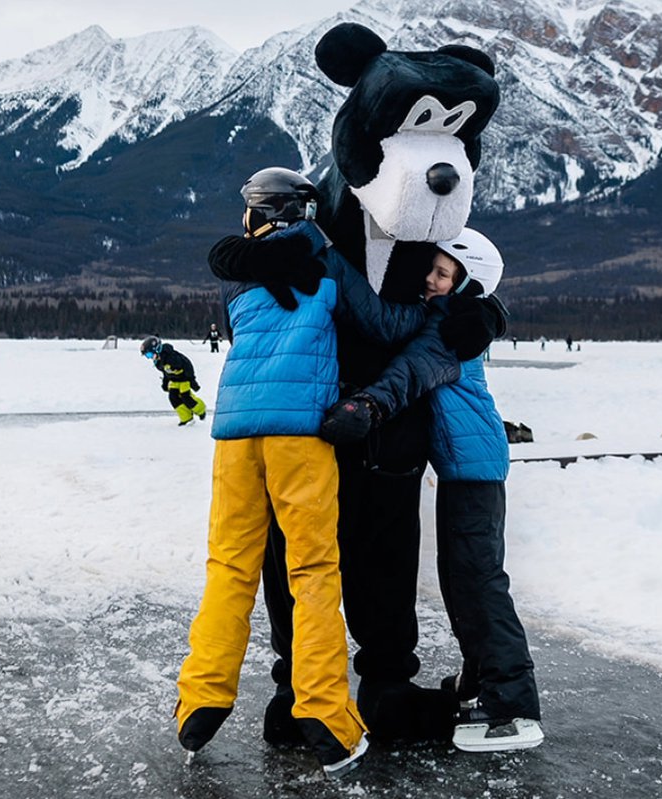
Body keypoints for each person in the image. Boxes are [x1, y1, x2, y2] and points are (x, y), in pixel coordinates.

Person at [175, 167, 430, 776]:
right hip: (300, 435)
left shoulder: (237, 273)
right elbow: (382, 324)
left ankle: (200, 700)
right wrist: (432, 312)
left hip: (236, 432)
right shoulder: (328, 261)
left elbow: (240, 327)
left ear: (260, 210)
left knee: (231, 564)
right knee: (313, 569)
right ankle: (324, 713)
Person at [321, 229, 543, 752]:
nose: (430, 279)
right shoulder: (455, 319)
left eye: (444, 274)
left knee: (479, 581)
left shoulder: (451, 327)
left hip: (475, 469)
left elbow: (411, 371)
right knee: (460, 579)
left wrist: (369, 406)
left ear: (469, 284)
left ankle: (513, 702)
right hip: (463, 466)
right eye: (433, 269)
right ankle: (477, 682)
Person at [140, 337, 206, 425]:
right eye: (147, 356)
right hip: (174, 380)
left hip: (184, 379)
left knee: (186, 397)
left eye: (149, 355)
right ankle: (186, 418)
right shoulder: (158, 362)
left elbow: (187, 365)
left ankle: (201, 410)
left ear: (156, 349)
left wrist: (192, 380)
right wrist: (165, 383)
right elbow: (166, 372)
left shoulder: (171, 357)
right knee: (173, 398)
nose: (149, 358)